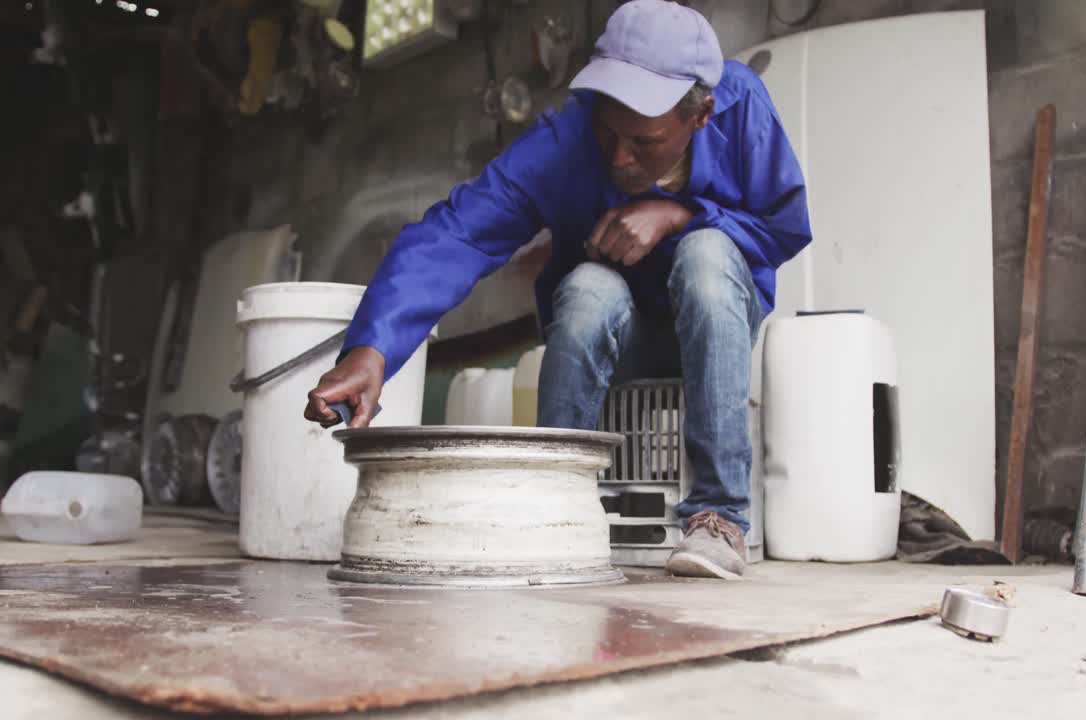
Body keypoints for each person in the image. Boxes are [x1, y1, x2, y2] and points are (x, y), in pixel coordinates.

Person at [304, 0, 811, 580]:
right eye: (608, 130)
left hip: (719, 322)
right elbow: (457, 233)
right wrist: (372, 349)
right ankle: (557, 506)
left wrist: (678, 214)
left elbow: (784, 225)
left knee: (706, 251)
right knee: (590, 286)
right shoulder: (567, 140)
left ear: (700, 116)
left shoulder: (740, 105)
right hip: (618, 343)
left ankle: (719, 517)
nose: (619, 157)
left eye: (642, 142)